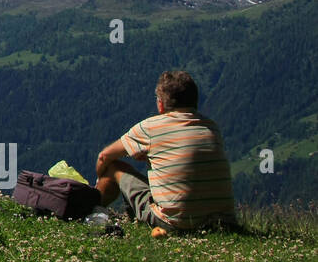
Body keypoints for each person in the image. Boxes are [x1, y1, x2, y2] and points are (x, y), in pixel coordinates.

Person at [94, 70, 237, 232]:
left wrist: (100, 179)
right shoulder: (211, 127)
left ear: (161, 104)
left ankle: (90, 212)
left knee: (114, 167)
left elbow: (104, 156)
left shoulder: (150, 128)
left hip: (175, 224)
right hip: (223, 225)